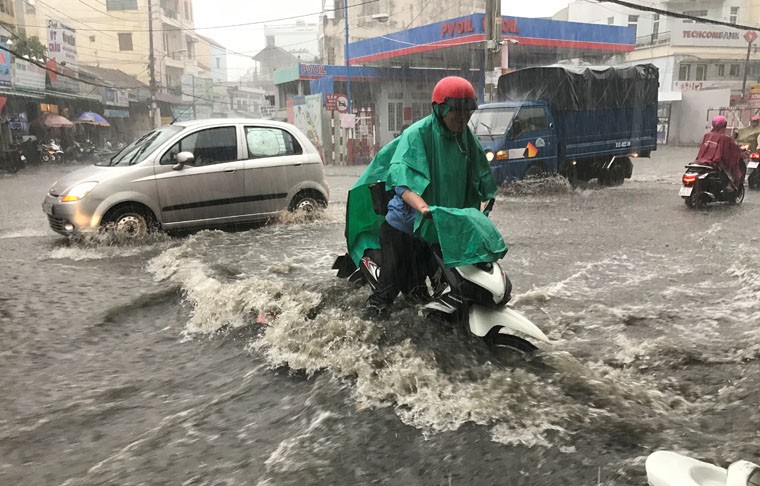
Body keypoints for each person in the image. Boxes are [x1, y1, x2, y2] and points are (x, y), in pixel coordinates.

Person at [357, 76, 498, 317]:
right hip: (404, 229)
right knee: (387, 294)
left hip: (439, 227)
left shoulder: (465, 136)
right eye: (457, 112)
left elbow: (480, 174)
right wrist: (423, 208)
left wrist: (487, 200)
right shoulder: (417, 135)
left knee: (437, 287)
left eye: (468, 112)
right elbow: (402, 183)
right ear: (440, 109)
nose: (463, 118)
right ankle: (367, 333)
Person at [695, 115, 743, 190]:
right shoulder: (725, 138)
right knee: (729, 171)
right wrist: (740, 150)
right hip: (717, 163)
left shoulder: (707, 135)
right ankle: (729, 187)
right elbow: (732, 151)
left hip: (701, 161)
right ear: (724, 126)